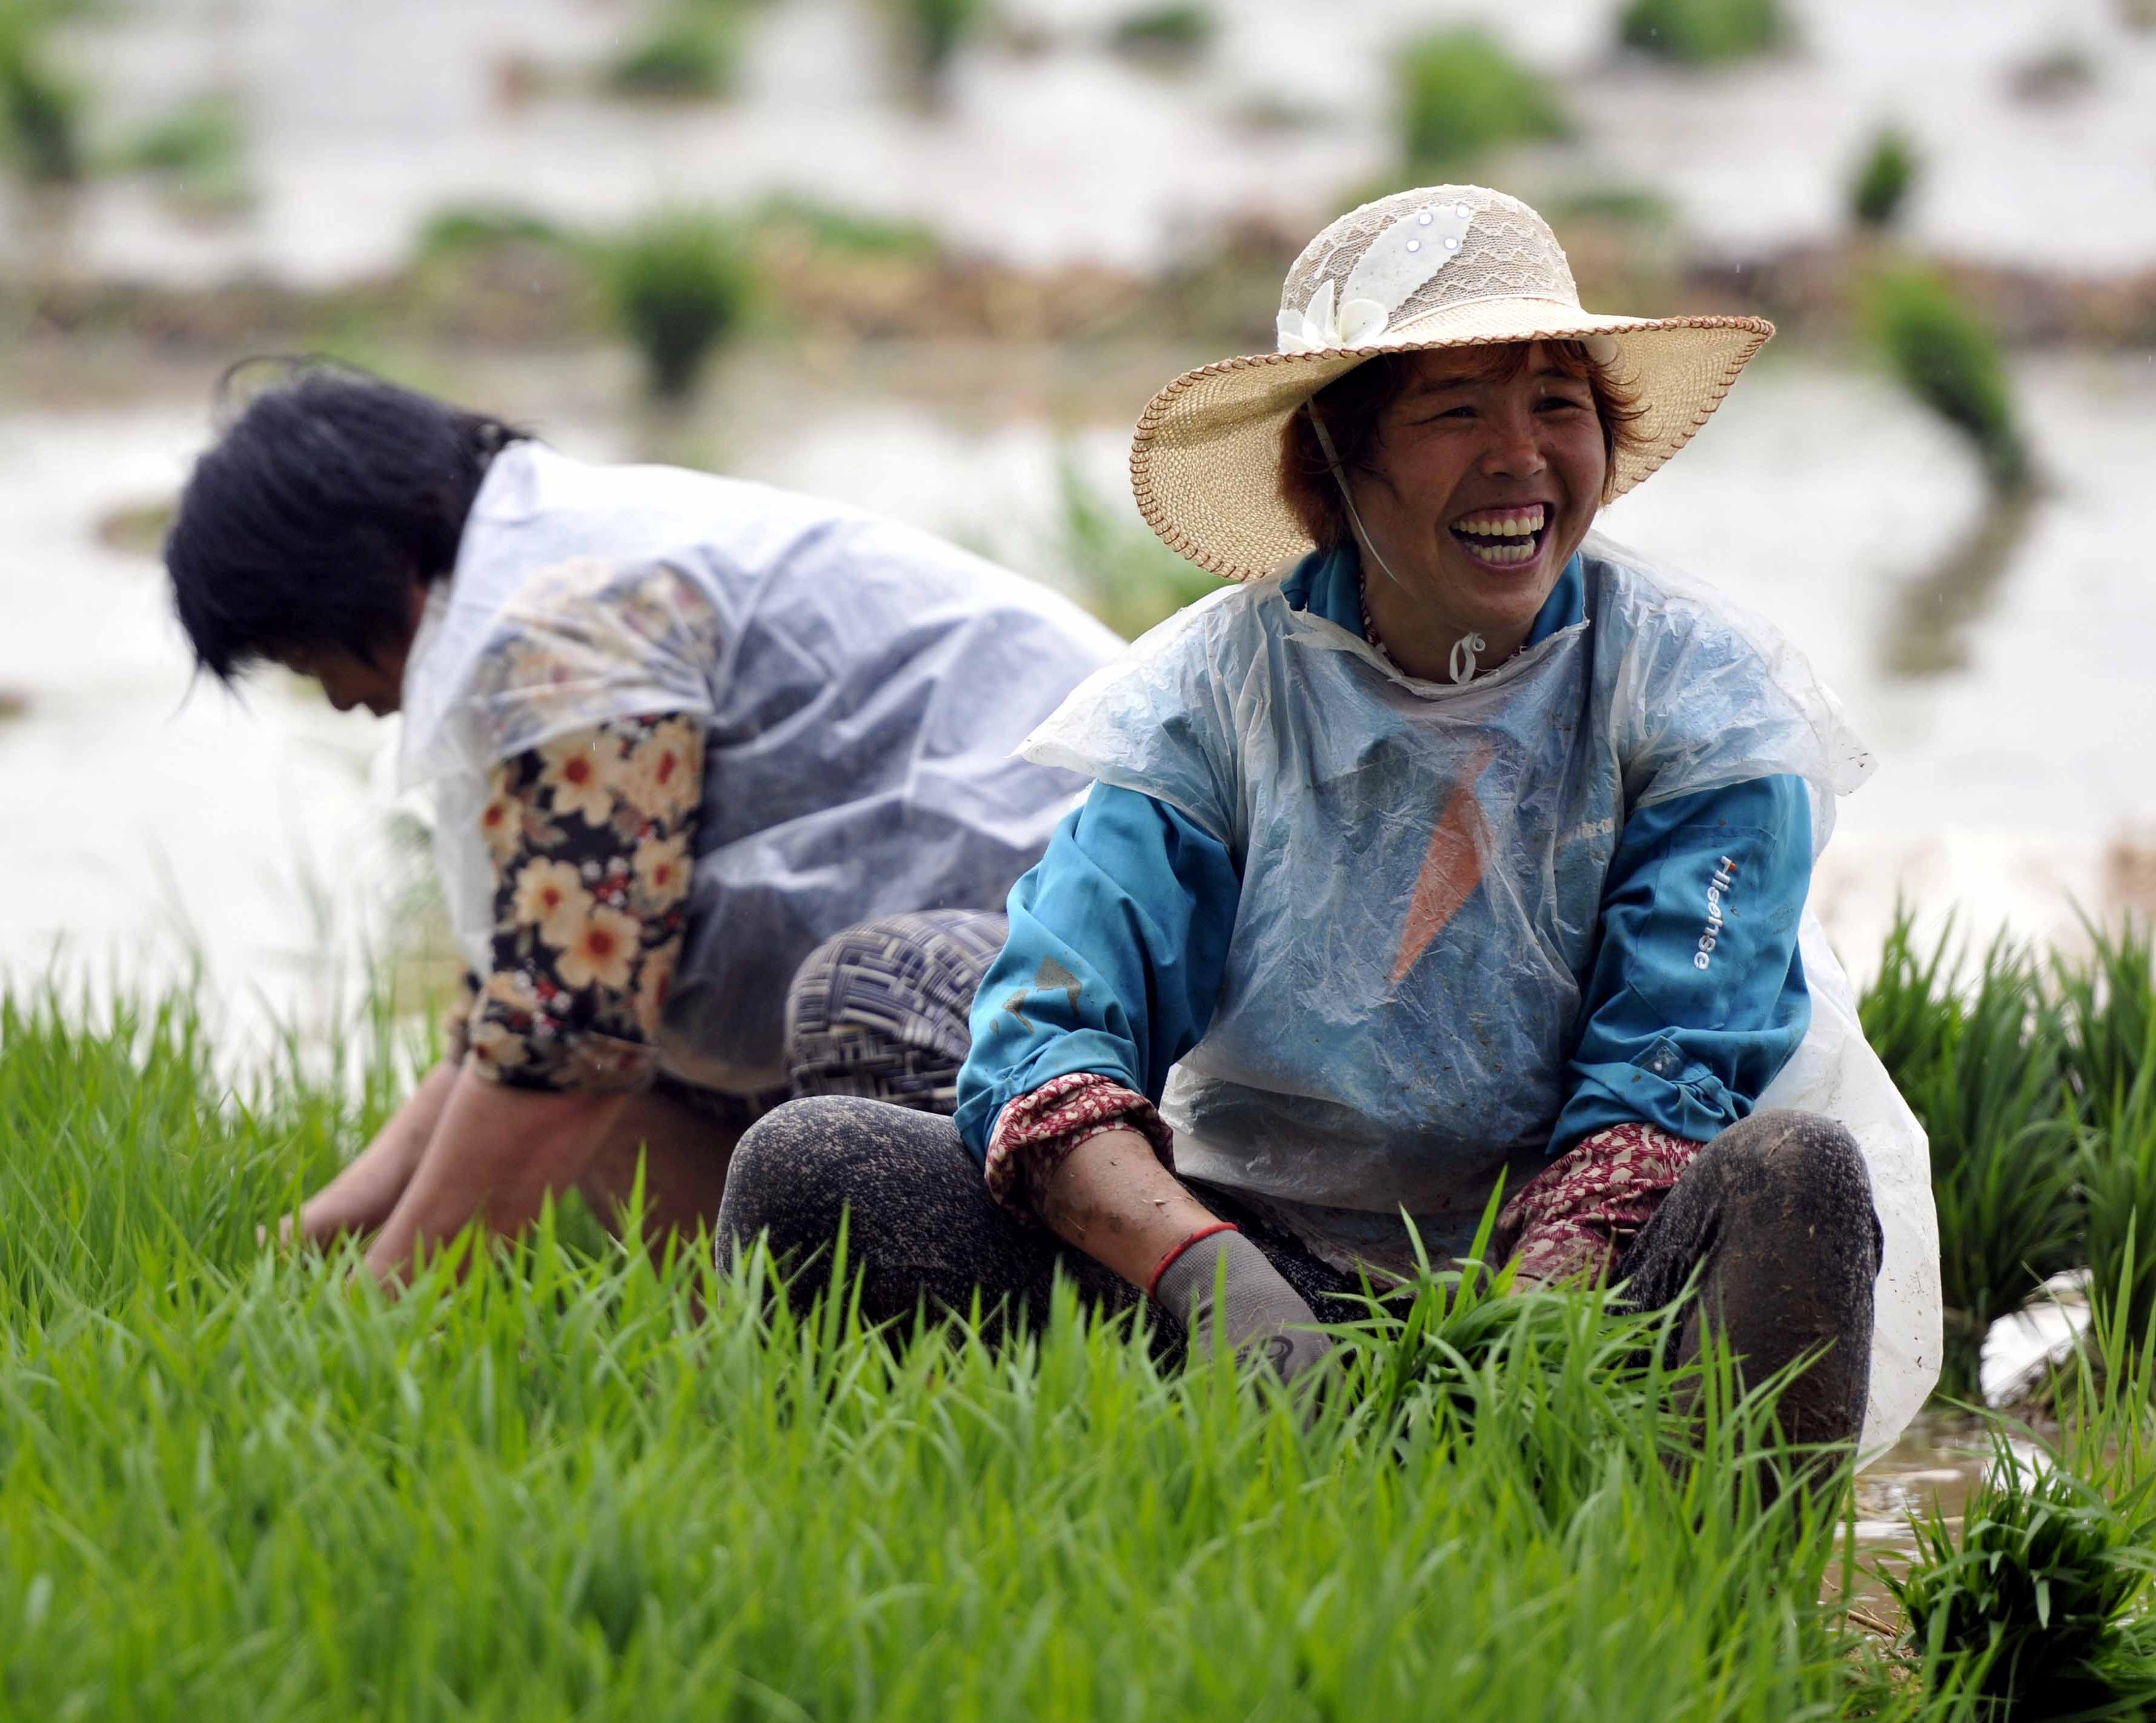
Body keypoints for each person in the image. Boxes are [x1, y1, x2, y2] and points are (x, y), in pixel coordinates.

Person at [718, 186, 1939, 1455]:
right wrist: (1213, 1280)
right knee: (812, 1171)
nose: (1519, 457)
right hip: (1253, 1260)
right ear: (1335, 465)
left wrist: (1487, 1377)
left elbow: (1668, 1075)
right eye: (1455, 409)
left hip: (1581, 1297)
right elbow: (1047, 1038)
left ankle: (1698, 1612)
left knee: (1795, 1178)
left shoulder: (1696, 701)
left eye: (1557, 406)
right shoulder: (1211, 698)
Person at [163, 364, 1121, 1284]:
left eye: (303, 655)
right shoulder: (556, 559)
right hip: (1004, 955)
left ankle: (990, 1338)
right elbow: (516, 1017)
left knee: (641, 1039)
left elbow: (570, 1037)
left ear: (351, 586)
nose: (333, 700)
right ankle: (771, 1356)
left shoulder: (566, 624)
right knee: (629, 1034)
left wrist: (365, 1321)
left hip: (1099, 977)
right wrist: (299, 1242)